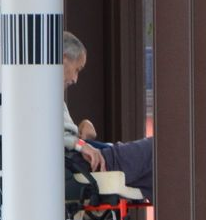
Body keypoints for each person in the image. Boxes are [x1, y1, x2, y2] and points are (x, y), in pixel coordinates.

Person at [62, 31, 154, 200]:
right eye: (77, 69)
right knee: (157, 150)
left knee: (156, 161)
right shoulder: (40, 95)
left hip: (84, 159)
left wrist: (81, 129)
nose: (75, 79)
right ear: (64, 59)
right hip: (83, 163)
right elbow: (53, 135)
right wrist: (80, 144)